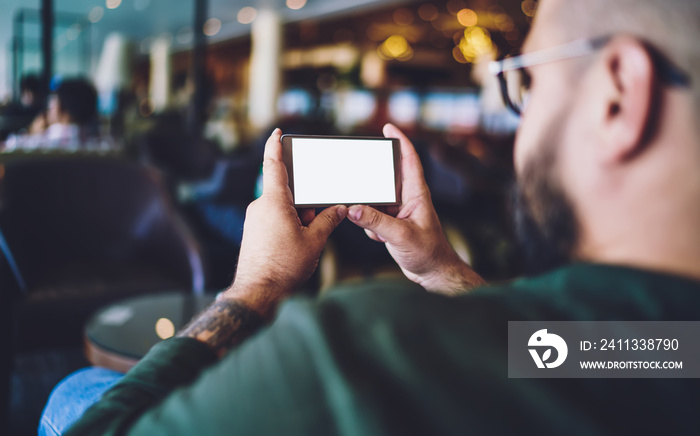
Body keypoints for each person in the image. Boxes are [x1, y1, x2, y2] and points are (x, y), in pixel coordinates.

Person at [41, 0, 700, 434]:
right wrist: (445, 272)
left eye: (526, 83)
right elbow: (584, 355)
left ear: (619, 95)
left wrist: (256, 288)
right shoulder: (669, 350)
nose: (522, 123)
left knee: (78, 393)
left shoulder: (359, 354)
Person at [3, 78, 110, 151]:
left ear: (58, 107)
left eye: (51, 101)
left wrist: (31, 132)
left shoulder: (37, 144)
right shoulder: (105, 145)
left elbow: (7, 147)